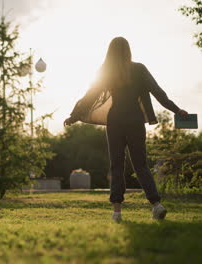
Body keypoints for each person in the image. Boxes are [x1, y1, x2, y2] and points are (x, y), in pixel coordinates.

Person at [64, 37, 188, 222]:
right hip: (135, 121)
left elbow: (90, 95)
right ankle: (156, 205)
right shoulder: (139, 69)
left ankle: (117, 212)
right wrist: (177, 110)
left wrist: (74, 116)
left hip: (115, 121)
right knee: (141, 165)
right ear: (128, 50)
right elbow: (158, 93)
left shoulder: (108, 72)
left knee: (116, 165)